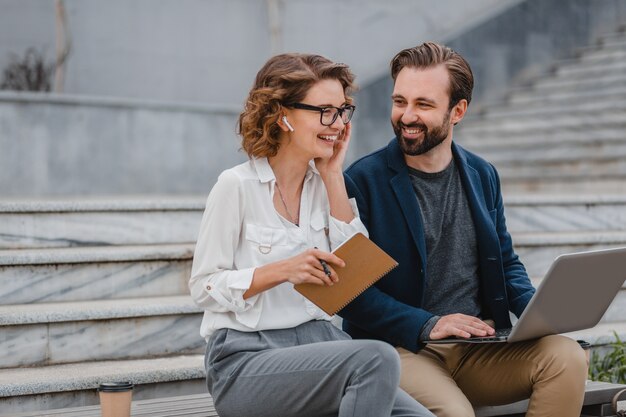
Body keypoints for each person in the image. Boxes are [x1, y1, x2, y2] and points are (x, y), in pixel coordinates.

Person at [340, 42, 588, 417]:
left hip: (478, 350)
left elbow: (504, 263)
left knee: (566, 356)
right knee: (456, 414)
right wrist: (429, 324)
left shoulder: (482, 174)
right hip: (400, 349)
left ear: (458, 111)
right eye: (400, 101)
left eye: (423, 105)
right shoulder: (362, 181)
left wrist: (541, 313)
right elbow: (353, 295)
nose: (406, 116)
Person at [189, 53, 434, 417]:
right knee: (375, 357)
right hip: (247, 362)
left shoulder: (328, 185)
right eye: (324, 111)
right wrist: (282, 271)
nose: (336, 123)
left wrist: (334, 175)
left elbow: (355, 273)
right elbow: (203, 287)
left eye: (342, 111)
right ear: (282, 114)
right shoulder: (236, 186)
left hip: (322, 347)